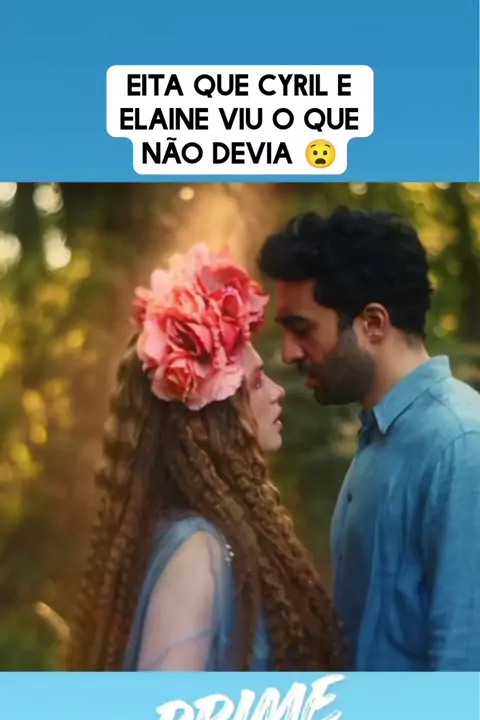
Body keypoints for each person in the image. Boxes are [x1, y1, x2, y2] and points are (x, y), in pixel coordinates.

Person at [66, 243, 347, 672]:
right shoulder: (197, 551)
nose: (277, 392)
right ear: (216, 414)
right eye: (257, 383)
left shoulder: (189, 536)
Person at [258, 206, 480, 672]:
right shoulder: (381, 436)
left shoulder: (460, 444)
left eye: (302, 329)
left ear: (373, 323)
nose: (289, 352)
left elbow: (464, 662)